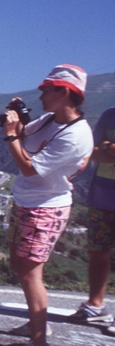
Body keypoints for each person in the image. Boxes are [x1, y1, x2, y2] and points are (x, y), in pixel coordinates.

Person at [2, 64, 93, 346]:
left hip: (45, 207)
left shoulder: (76, 135)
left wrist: (11, 136)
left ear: (64, 92)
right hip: (28, 201)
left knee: (31, 273)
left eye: (46, 90)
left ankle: (39, 344)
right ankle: (37, 323)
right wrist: (18, 119)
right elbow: (25, 136)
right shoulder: (51, 120)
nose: (40, 95)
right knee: (21, 265)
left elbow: (29, 167)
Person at [68, 106, 115, 332]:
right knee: (98, 253)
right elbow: (89, 151)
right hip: (101, 198)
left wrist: (107, 147)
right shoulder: (109, 115)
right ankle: (96, 306)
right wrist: (107, 149)